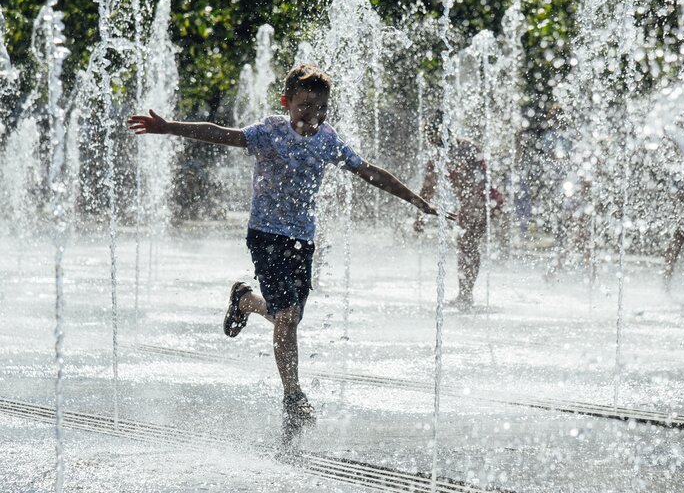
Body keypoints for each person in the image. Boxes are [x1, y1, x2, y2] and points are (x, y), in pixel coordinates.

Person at [127, 63, 451, 440]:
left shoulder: (328, 140)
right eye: (304, 106)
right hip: (266, 235)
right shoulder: (269, 132)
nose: (311, 115)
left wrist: (418, 201)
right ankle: (293, 396)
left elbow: (370, 172)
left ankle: (245, 299)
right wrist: (169, 127)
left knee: (288, 318)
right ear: (287, 102)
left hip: (303, 241)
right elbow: (221, 134)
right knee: (288, 315)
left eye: (319, 109)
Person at [415, 111, 496, 311]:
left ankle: (466, 295)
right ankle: (465, 294)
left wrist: (472, 206)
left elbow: (484, 180)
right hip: (468, 204)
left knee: (467, 243)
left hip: (484, 201)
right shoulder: (438, 157)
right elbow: (428, 188)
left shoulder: (467, 148)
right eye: (427, 133)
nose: (429, 138)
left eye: (431, 132)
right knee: (465, 245)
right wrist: (420, 215)